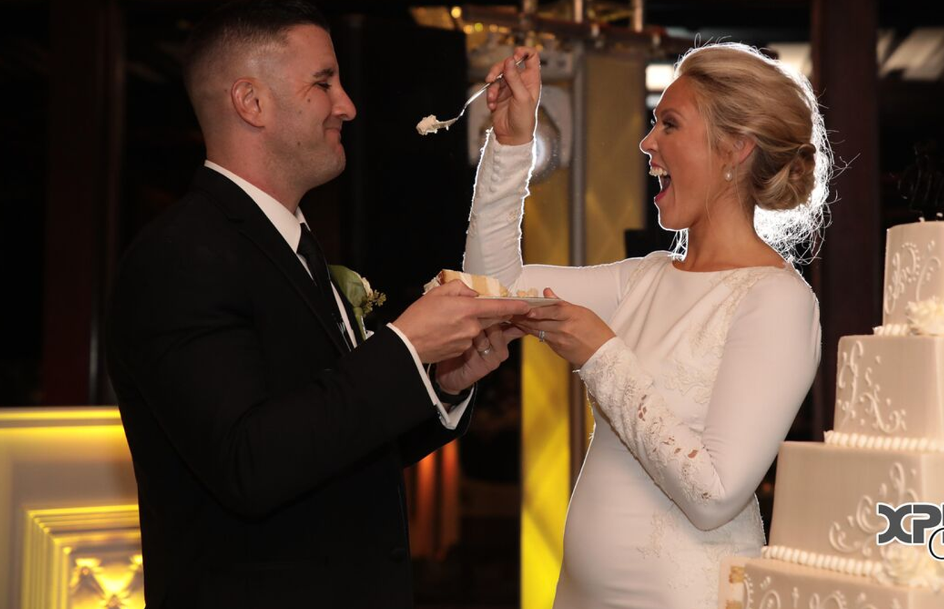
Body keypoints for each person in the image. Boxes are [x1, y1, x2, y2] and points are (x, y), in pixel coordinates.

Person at [105, 2, 530, 607]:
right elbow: (249, 463)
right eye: (324, 82)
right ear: (251, 102)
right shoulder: (179, 257)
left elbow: (336, 444)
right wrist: (404, 348)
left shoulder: (292, 245)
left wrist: (438, 380)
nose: (347, 105)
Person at [466, 43, 831, 607]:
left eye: (670, 124)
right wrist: (511, 144)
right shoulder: (643, 279)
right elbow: (489, 286)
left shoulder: (778, 300)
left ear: (735, 148)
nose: (647, 142)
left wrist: (601, 355)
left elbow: (714, 495)